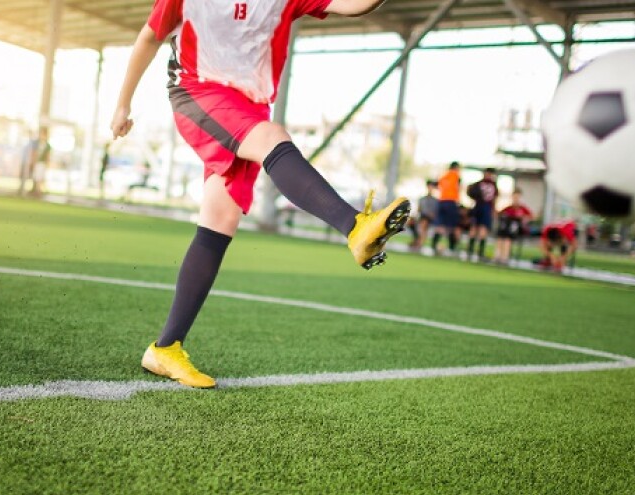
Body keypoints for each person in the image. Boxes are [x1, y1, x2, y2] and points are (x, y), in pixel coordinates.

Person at [110, 0, 410, 389]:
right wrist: (122, 104)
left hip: (250, 105)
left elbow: (354, 5)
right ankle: (355, 226)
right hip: (196, 90)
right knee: (272, 140)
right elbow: (150, 35)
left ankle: (164, 349)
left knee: (221, 219)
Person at [465, 168, 498, 261]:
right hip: (479, 207)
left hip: (486, 207)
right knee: (474, 228)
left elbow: (494, 199)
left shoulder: (493, 185)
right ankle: (470, 250)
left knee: (483, 229)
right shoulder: (478, 184)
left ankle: (480, 251)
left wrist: (493, 210)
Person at [494, 188, 532, 264]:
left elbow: (531, 217)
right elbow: (498, 214)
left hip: (516, 230)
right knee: (501, 237)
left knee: (507, 239)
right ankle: (497, 256)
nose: (516, 199)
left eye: (517, 197)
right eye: (514, 197)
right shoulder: (508, 208)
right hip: (505, 229)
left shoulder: (523, 209)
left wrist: (524, 219)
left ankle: (504, 257)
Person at [431, 161, 461, 255]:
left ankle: (434, 245)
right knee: (451, 226)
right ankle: (451, 247)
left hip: (442, 201)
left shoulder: (443, 175)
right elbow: (458, 186)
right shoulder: (456, 175)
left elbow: (436, 185)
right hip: (451, 202)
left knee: (440, 224)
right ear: (456, 167)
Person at [410, 179, 438, 250]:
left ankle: (419, 243)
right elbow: (418, 210)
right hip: (422, 217)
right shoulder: (422, 199)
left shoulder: (436, 201)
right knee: (411, 222)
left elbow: (435, 213)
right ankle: (417, 240)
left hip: (430, 219)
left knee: (424, 223)